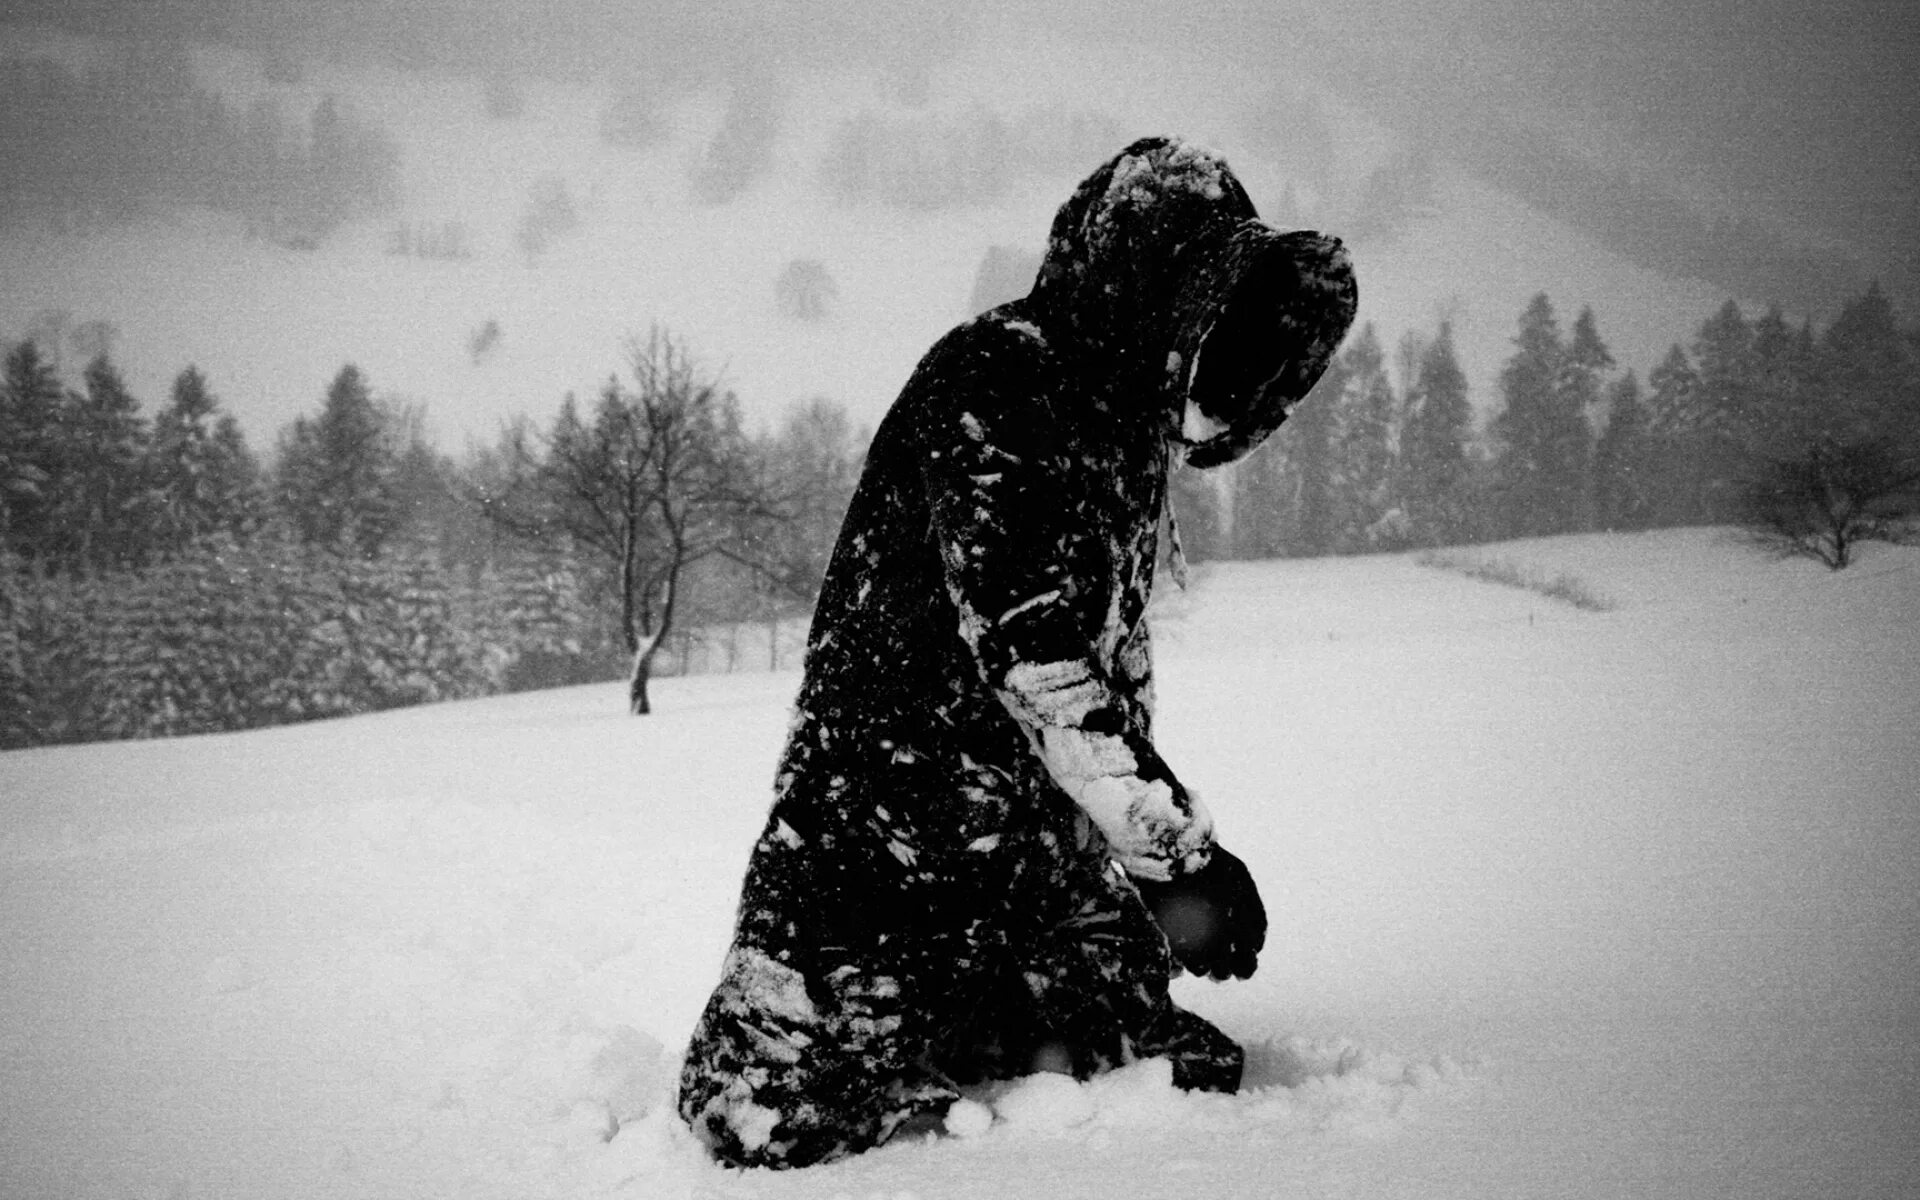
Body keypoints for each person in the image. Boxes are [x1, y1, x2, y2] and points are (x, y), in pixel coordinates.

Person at [677, 136, 1358, 1169]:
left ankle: (1008, 1012)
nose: (1221, 367)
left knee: (1142, 1052)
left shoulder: (1121, 423)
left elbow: (1114, 660)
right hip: (882, 822)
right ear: (1142, 290)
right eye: (1205, 315)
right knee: (774, 1111)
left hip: (1035, 842)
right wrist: (1179, 855)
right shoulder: (994, 385)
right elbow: (1038, 657)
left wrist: (1145, 867)